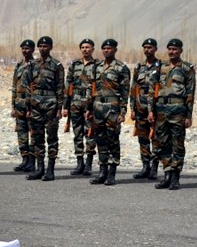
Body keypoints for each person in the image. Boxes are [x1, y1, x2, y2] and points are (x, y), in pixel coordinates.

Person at [153, 38, 196, 190]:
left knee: (177, 144)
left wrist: (189, 116)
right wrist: (152, 111)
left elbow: (190, 93)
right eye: (170, 49)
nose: (172, 52)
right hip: (161, 110)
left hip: (178, 111)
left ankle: (175, 177)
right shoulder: (161, 66)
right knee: (163, 143)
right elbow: (154, 89)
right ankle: (167, 175)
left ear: (180, 51)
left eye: (175, 49)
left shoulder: (186, 68)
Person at [86, 39, 130, 186]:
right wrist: (89, 108)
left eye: (109, 48)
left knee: (112, 140)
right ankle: (102, 172)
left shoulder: (121, 68)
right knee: (100, 140)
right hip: (98, 106)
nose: (106, 51)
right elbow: (91, 88)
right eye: (104, 48)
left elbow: (125, 93)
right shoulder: (96, 67)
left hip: (113, 107)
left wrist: (122, 112)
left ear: (115, 50)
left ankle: (112, 173)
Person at [25, 36, 64, 181]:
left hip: (51, 104)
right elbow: (28, 87)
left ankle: (50, 170)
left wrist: (60, 108)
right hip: (35, 105)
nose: (43, 48)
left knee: (52, 138)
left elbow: (60, 88)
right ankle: (39, 169)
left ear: (51, 47)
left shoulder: (56, 65)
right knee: (37, 137)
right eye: (40, 46)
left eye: (46, 46)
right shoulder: (32, 65)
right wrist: (28, 107)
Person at [63, 38, 98, 176]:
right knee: (77, 133)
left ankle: (89, 164)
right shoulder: (74, 65)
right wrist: (65, 106)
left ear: (93, 49)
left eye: (88, 47)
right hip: (75, 102)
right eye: (83, 47)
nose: (85, 49)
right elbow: (68, 85)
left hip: (90, 104)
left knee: (90, 133)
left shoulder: (97, 65)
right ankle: (79, 164)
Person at [130, 38, 162, 180]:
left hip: (155, 108)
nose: (147, 50)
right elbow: (134, 88)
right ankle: (145, 167)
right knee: (142, 138)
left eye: (150, 47)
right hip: (140, 107)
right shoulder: (139, 67)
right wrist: (132, 107)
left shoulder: (161, 66)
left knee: (155, 138)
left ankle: (154, 168)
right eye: (145, 47)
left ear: (155, 49)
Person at [12, 40, 36, 173]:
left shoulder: (35, 65)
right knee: (21, 133)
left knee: (33, 133)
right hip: (19, 103)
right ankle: (24, 160)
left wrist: (32, 107)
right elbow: (14, 86)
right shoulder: (19, 65)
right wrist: (13, 106)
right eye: (23, 49)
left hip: (31, 104)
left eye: (27, 49)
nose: (25, 51)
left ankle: (32, 161)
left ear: (32, 50)